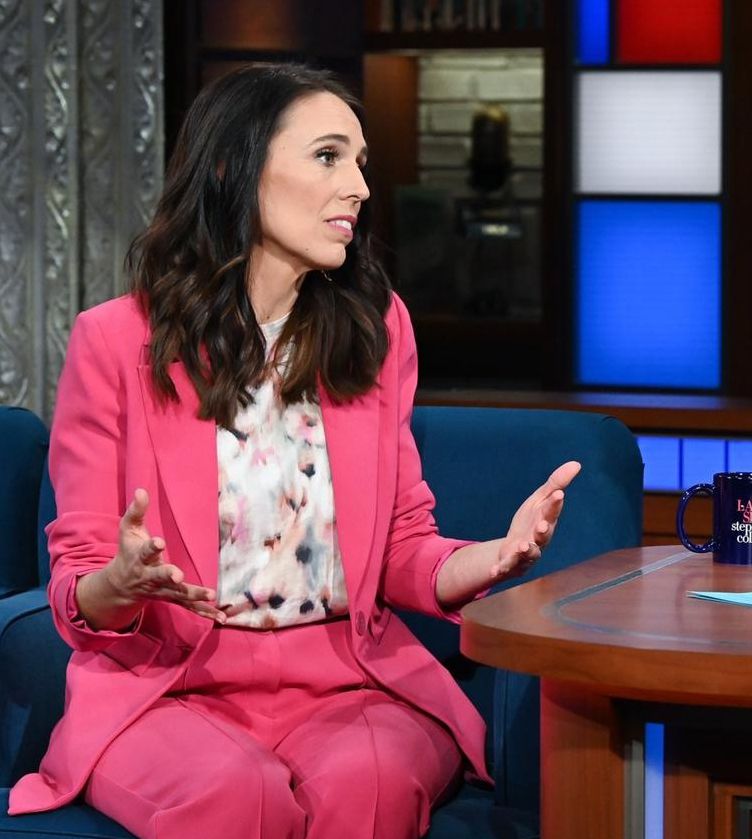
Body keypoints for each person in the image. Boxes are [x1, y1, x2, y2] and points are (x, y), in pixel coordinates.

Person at [6, 63, 580, 838]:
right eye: (327, 156)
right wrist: (121, 580)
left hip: (351, 678)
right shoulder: (114, 343)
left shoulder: (378, 331)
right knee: (237, 795)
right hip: (170, 687)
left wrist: (494, 558)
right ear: (232, 166)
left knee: (366, 788)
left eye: (360, 163)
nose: (359, 188)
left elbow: (402, 544)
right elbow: (76, 582)